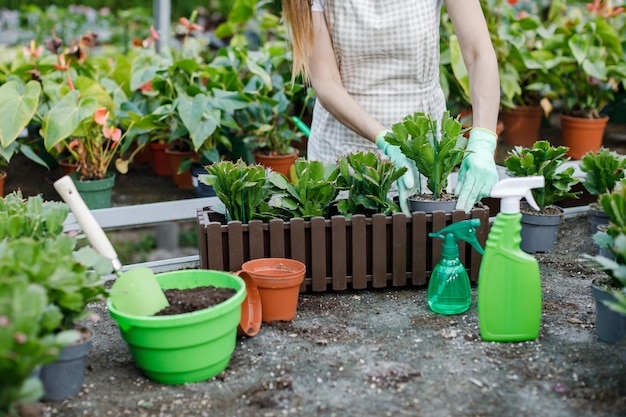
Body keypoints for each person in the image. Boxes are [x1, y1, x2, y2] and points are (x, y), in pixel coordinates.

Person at [282, 0, 500, 214]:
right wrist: (384, 139)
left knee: (420, 244)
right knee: (345, 240)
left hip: (421, 149)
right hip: (342, 150)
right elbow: (326, 82)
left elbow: (477, 52)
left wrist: (483, 140)